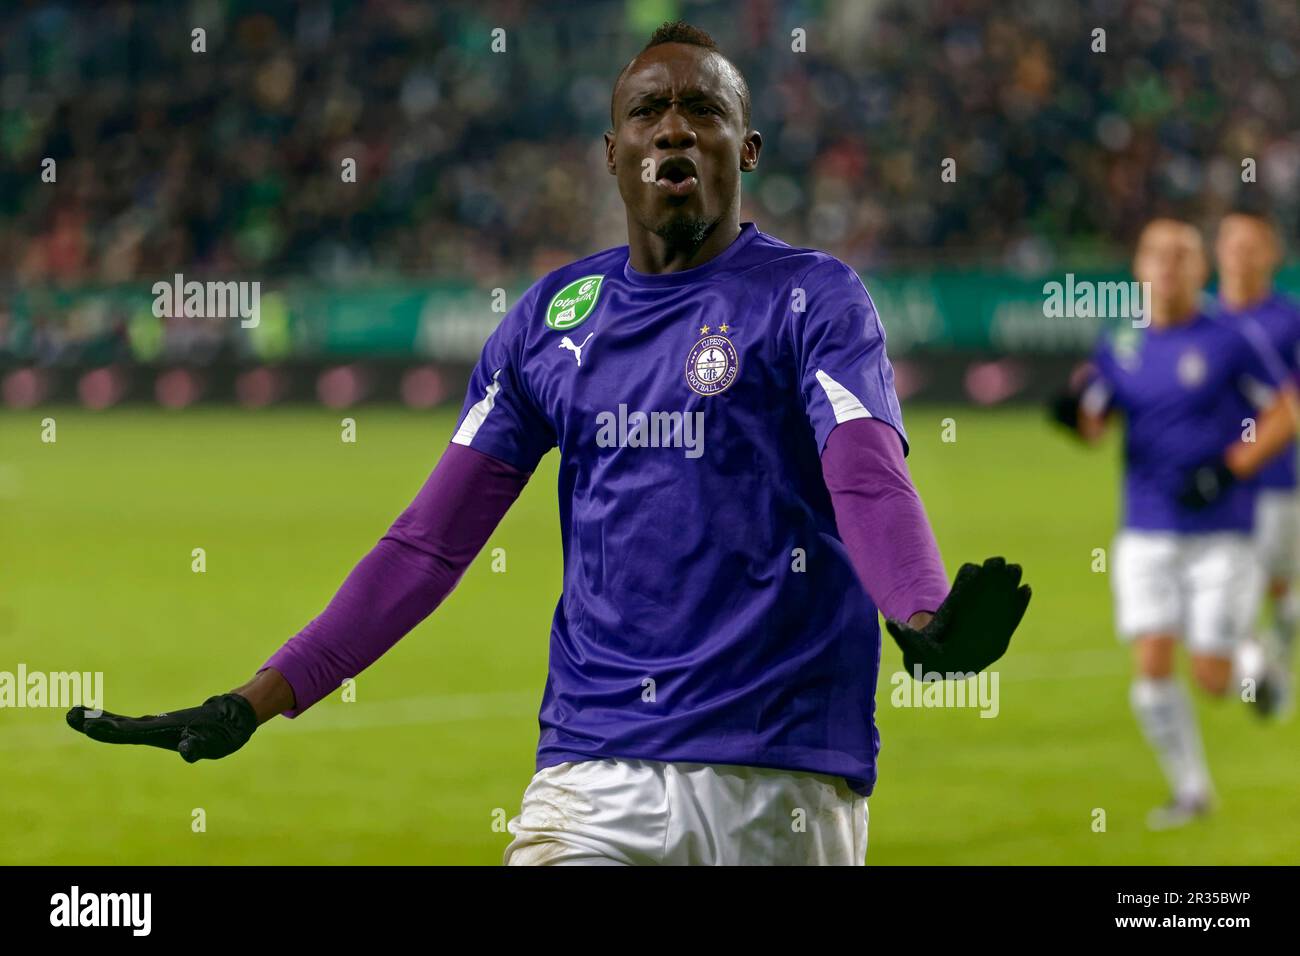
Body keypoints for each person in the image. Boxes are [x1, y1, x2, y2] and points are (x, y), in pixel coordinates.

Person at [67, 21, 1030, 865]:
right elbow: (428, 545)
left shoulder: (814, 298)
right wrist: (258, 699)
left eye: (705, 109)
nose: (675, 126)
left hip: (779, 778)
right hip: (590, 773)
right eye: (650, 109)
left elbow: (864, 471)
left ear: (749, 147)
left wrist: (919, 612)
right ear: (612, 152)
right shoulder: (548, 322)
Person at [1050, 218, 1297, 830]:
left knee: (1211, 678)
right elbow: (1096, 422)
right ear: (1138, 268)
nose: (1167, 266)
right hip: (1146, 529)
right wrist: (1071, 416)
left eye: (1181, 256)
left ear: (1200, 270)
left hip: (1222, 532)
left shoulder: (1229, 339)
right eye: (1156, 255)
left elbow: (1286, 408)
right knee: (1153, 664)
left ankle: (1253, 660)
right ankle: (1191, 790)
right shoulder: (1122, 344)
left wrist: (1233, 466)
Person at [1215, 211, 1300, 717]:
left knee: (1277, 582)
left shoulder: (1288, 320)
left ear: (1271, 255)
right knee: (1231, 584)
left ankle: (1273, 658)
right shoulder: (1204, 321)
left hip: (1277, 479)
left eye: (1253, 246)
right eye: (1233, 245)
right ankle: (1257, 672)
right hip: (1217, 485)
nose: (1242, 256)